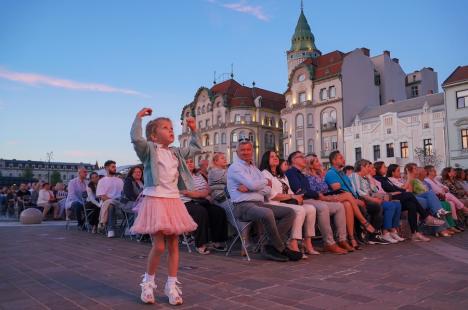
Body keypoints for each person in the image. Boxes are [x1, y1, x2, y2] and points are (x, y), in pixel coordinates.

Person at [130, 107, 199, 305]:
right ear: (153, 135)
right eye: (165, 128)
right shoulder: (149, 150)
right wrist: (138, 118)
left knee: (174, 245)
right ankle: (148, 283)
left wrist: (194, 130)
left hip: (173, 200)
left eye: (171, 128)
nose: (171, 131)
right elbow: (136, 139)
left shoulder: (176, 152)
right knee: (159, 246)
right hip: (156, 200)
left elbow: (195, 148)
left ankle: (171, 285)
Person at [227, 138, 300, 262]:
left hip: (259, 203)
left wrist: (252, 187)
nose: (245, 152)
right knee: (267, 213)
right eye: (242, 150)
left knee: (290, 212)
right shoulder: (235, 167)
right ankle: (281, 248)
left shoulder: (254, 169)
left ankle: (269, 245)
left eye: (248, 149)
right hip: (242, 206)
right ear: (237, 152)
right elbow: (257, 185)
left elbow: (266, 190)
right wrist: (265, 182)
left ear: (252, 151)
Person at [287, 151, 353, 254]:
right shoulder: (291, 172)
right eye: (301, 157)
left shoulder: (302, 175)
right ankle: (329, 242)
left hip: (312, 198)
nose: (304, 158)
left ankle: (342, 239)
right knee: (323, 207)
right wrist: (318, 195)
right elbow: (299, 190)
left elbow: (309, 190)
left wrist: (319, 195)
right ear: (293, 160)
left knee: (339, 206)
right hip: (303, 200)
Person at [305, 154, 375, 249]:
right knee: (347, 196)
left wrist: (322, 176)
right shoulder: (309, 177)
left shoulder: (321, 175)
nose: (320, 163)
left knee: (347, 204)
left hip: (329, 196)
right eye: (317, 161)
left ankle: (349, 238)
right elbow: (318, 192)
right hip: (322, 198)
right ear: (310, 164)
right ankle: (364, 222)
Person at [260, 150, 319, 256]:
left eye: (276, 156)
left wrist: (297, 197)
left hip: (285, 202)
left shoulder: (281, 174)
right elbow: (272, 196)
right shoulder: (265, 174)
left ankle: (307, 242)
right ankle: (293, 242)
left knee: (311, 208)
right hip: (273, 204)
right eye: (272, 156)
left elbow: (290, 192)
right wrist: (292, 196)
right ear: (266, 160)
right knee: (299, 210)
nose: (275, 158)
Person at [324, 151, 385, 245]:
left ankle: (372, 234)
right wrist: (356, 199)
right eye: (341, 158)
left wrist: (357, 198)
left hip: (352, 198)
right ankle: (361, 231)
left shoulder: (342, 174)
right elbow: (337, 189)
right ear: (334, 160)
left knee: (376, 206)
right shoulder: (331, 173)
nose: (344, 160)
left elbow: (352, 189)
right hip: (342, 199)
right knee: (362, 206)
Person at [374, 162, 434, 242]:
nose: (386, 168)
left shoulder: (385, 178)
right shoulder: (378, 178)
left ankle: (415, 233)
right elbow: (390, 189)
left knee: (411, 205)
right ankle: (426, 216)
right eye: (384, 167)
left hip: (395, 196)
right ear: (378, 169)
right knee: (409, 195)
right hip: (389, 197)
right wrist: (403, 189)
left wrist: (403, 190)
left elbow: (397, 188)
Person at [181, 158, 228, 254]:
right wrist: (202, 194)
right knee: (201, 212)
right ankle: (200, 244)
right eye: (187, 162)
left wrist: (200, 193)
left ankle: (217, 241)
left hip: (202, 200)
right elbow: (187, 193)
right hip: (187, 203)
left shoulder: (198, 175)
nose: (190, 164)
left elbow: (208, 189)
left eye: (191, 162)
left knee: (218, 211)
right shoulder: (180, 177)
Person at [425, 165, 467, 231]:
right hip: (437, 197)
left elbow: (446, 188)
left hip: (443, 196)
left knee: (451, 203)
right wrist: (443, 189)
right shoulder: (427, 180)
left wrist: (443, 189)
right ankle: (464, 208)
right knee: (448, 194)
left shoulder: (435, 180)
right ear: (429, 172)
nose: (435, 171)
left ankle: (453, 224)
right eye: (433, 170)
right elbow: (437, 190)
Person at [96, 160, 125, 238]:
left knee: (112, 203)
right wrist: (112, 200)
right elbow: (102, 197)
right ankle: (110, 230)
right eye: (113, 167)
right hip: (108, 204)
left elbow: (123, 194)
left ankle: (102, 223)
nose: (115, 168)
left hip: (119, 204)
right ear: (106, 168)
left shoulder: (120, 181)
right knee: (110, 204)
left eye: (115, 167)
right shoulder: (102, 181)